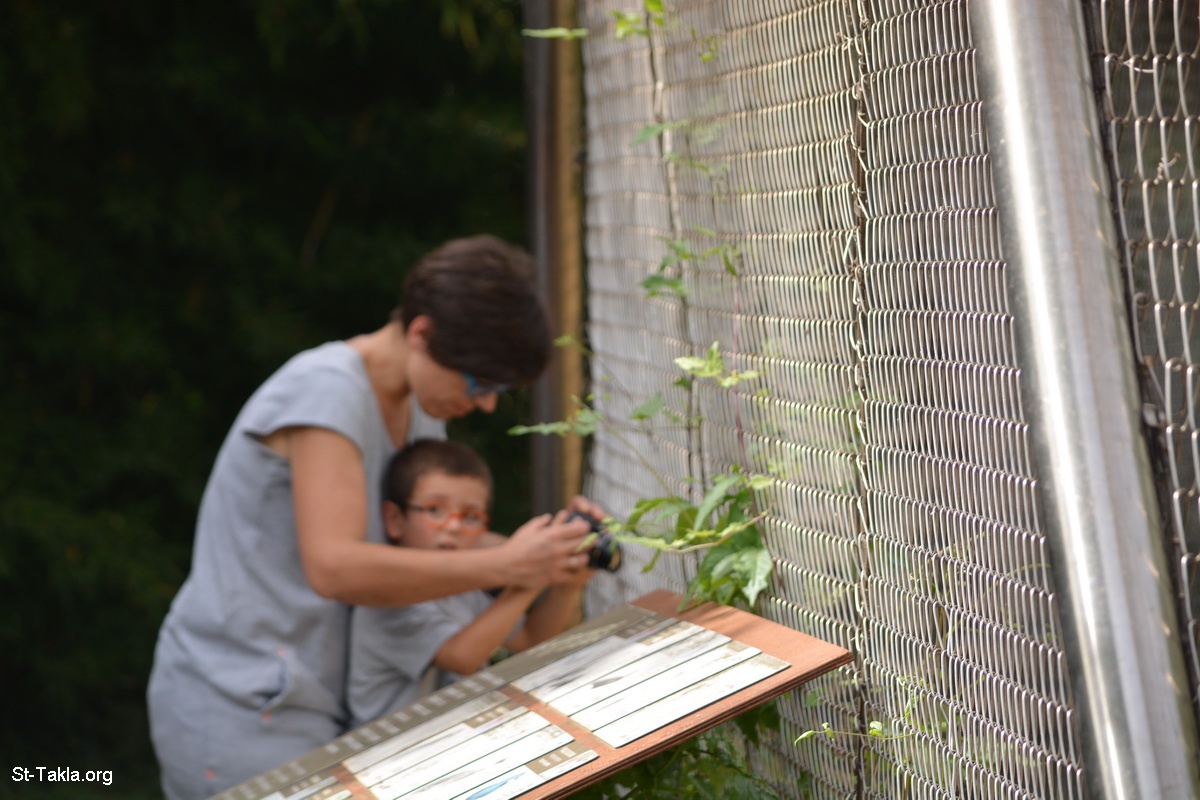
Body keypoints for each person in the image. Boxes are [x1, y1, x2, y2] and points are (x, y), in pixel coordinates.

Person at [147, 235, 599, 800]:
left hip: (319, 704)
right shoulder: (327, 392)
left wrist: (553, 551)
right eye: (479, 382)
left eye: (498, 390)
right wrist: (509, 564)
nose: (485, 404)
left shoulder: (419, 407)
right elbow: (335, 567)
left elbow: (428, 541)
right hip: (244, 704)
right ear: (421, 334)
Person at [347, 439, 593, 728]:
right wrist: (535, 571)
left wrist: (568, 583)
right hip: (384, 750)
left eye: (470, 516)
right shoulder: (383, 599)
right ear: (394, 519)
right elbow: (462, 657)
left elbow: (531, 639)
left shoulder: (463, 590)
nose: (454, 526)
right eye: (435, 510)